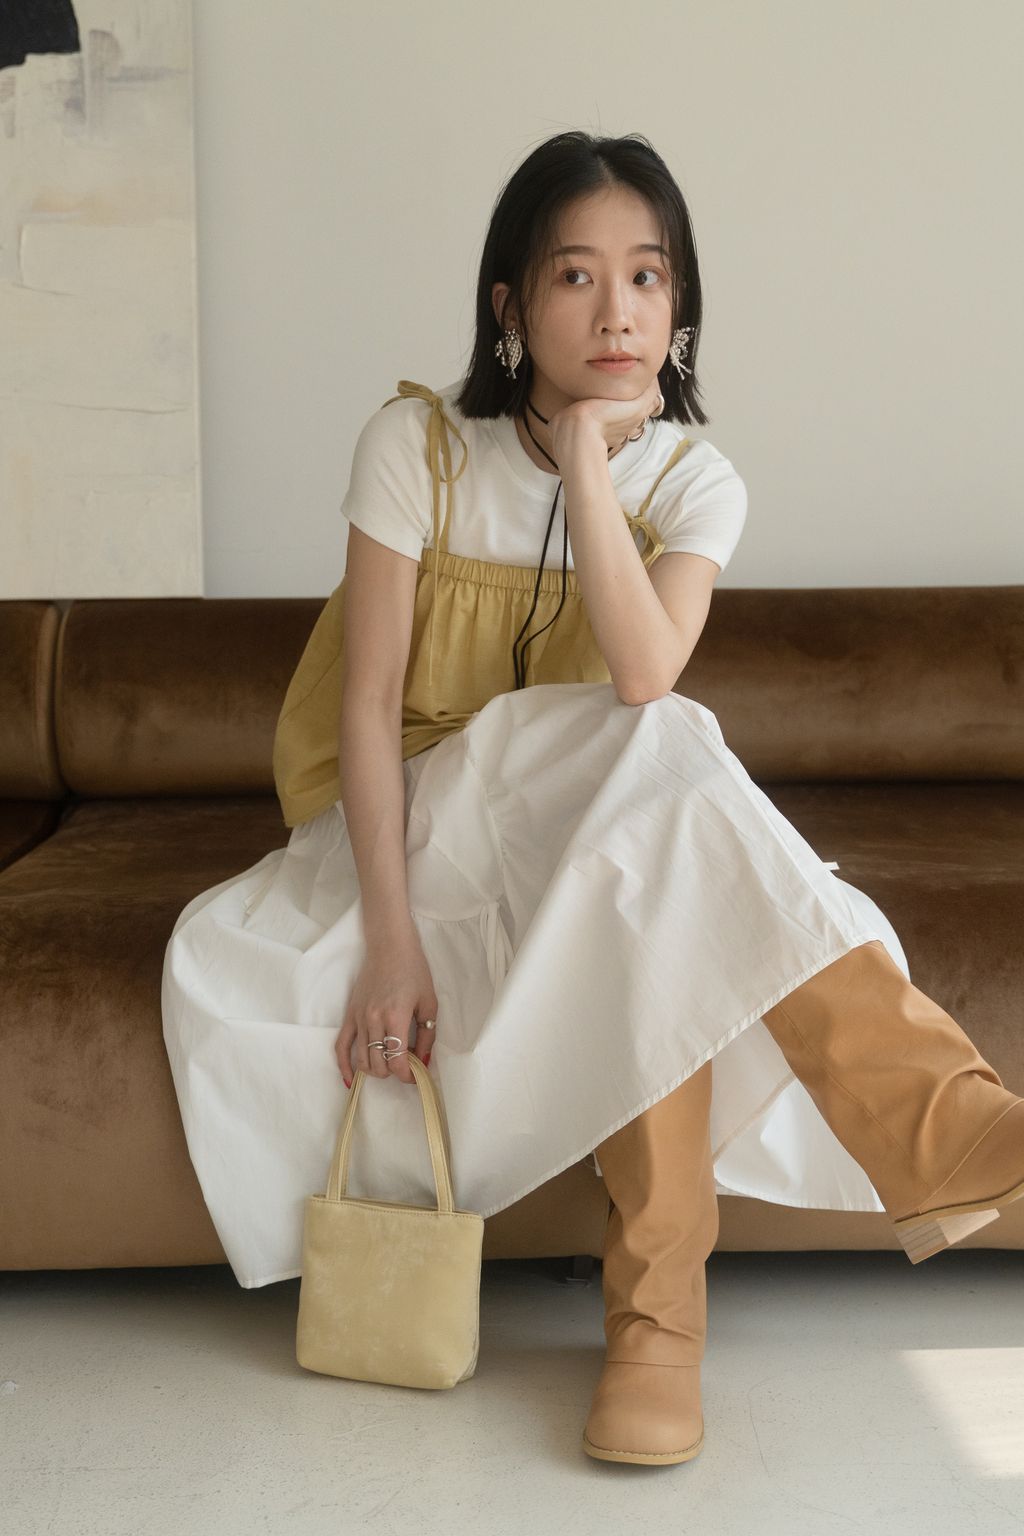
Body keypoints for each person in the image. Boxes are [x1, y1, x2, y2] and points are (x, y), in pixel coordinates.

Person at [161, 130, 1024, 1469]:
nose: (617, 311)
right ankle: (928, 1130)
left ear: (681, 306)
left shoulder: (695, 479)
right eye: (576, 275)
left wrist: (586, 464)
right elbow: (366, 708)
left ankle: (656, 1334)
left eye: (647, 276)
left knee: (655, 851)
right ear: (510, 304)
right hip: (405, 828)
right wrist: (389, 941)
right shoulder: (414, 446)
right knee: (661, 755)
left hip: (578, 840)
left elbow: (638, 666)